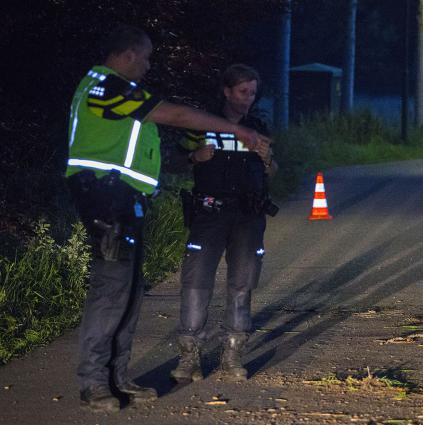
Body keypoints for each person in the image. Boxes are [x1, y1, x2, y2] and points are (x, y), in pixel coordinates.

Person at [66, 25, 270, 412]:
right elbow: (173, 115)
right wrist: (234, 129)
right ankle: (94, 383)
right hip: (105, 199)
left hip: (125, 200)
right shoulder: (104, 86)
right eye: (145, 57)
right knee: (111, 291)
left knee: (128, 291)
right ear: (127, 55)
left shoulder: (120, 89)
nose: (147, 65)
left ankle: (118, 377)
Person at [169, 64, 277, 384]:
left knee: (243, 284)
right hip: (209, 213)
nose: (248, 98)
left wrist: (267, 158)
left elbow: (273, 171)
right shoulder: (201, 126)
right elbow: (173, 160)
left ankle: (232, 355)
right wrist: (194, 158)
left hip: (249, 215)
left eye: (253, 93)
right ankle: (189, 358)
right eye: (243, 91)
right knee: (196, 281)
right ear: (227, 91)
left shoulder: (258, 126)